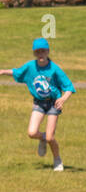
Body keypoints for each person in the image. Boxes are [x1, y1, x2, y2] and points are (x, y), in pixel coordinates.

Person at [1, 37, 76, 171]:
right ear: (34, 53)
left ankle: (57, 159)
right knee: (31, 132)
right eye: (37, 52)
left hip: (53, 103)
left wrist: (63, 98)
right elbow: (17, 72)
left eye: (43, 51)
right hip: (39, 103)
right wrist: (2, 71)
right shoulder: (31, 66)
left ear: (48, 51)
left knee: (50, 137)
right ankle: (42, 138)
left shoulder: (54, 68)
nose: (40, 54)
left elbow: (69, 87)